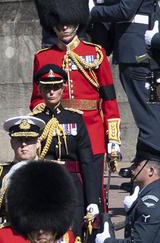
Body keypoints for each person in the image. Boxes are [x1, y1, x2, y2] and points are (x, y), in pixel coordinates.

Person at [31, 1, 122, 188]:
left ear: (77, 22)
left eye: (69, 22)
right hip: (59, 131)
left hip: (92, 128)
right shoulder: (43, 57)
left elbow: (109, 98)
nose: (64, 27)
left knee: (94, 186)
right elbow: (36, 101)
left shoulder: (95, 54)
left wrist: (113, 137)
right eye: (59, 23)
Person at [90, 0, 160, 147]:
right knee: (155, 111)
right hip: (144, 55)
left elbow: (125, 9)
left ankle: (155, 161)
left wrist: (92, 11)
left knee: (147, 114)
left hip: (136, 55)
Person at [30, 65, 103, 228]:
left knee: (73, 233)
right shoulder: (34, 122)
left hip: (72, 184)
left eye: (55, 87)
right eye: (46, 88)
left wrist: (92, 200)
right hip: (44, 182)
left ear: (63, 89)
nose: (51, 92)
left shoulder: (75, 119)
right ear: (40, 90)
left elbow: (87, 162)